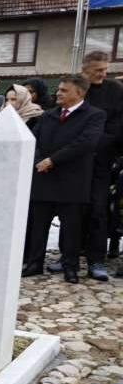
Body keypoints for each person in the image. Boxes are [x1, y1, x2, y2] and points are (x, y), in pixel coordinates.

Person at [22, 75, 105, 283]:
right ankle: (34, 263)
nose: (58, 93)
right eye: (58, 89)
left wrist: (53, 160)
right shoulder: (48, 116)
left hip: (72, 182)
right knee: (38, 226)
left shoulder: (94, 116)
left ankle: (70, 267)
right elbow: (34, 140)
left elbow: (85, 143)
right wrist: (40, 160)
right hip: (43, 179)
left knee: (71, 229)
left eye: (64, 90)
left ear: (79, 93)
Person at [77, 51, 123, 281]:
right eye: (98, 70)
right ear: (85, 69)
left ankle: (96, 260)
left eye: (105, 70)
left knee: (98, 210)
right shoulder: (74, 87)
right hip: (74, 161)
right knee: (73, 211)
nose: (103, 74)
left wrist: (96, 144)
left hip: (101, 160)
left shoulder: (115, 90)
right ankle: (70, 256)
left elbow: (117, 126)